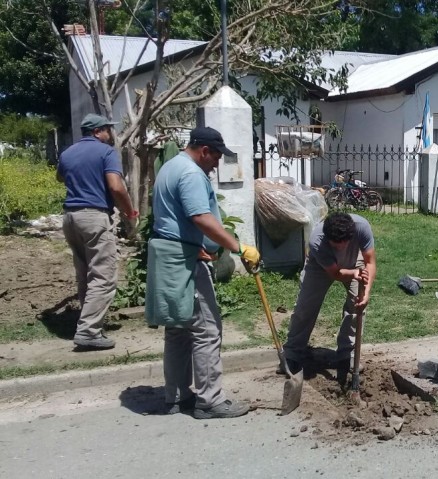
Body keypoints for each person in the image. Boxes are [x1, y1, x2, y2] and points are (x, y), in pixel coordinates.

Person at [145, 126, 261, 420]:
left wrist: (192, 244)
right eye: (217, 156)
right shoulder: (192, 174)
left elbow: (171, 217)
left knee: (178, 330)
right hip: (184, 263)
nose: (218, 163)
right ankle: (210, 401)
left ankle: (176, 397)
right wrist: (238, 247)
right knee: (207, 330)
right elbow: (200, 217)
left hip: (173, 254)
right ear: (204, 151)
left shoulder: (170, 168)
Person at [57, 113, 138, 350]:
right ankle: (89, 331)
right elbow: (116, 186)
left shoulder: (67, 153)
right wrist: (130, 211)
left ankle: (88, 324)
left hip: (70, 218)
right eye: (107, 129)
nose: (110, 133)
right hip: (94, 217)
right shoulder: (106, 152)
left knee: (85, 274)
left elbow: (61, 176)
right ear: (97, 131)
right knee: (103, 275)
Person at [282, 212, 376, 377]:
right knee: (305, 307)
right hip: (320, 266)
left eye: (344, 243)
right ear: (327, 237)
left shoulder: (362, 227)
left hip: (355, 261)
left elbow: (370, 262)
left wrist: (366, 292)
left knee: (357, 305)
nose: (340, 247)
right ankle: (292, 354)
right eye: (335, 244)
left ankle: (348, 355)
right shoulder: (317, 240)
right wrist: (353, 274)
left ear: (351, 235)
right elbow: (336, 274)